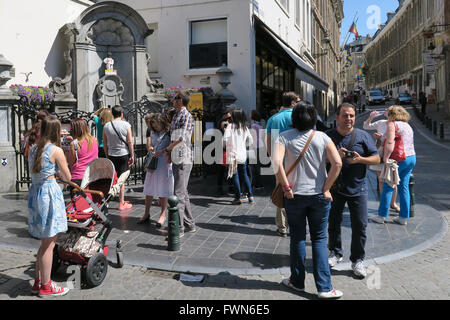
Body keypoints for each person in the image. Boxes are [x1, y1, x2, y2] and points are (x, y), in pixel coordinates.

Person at [274, 101, 343, 299]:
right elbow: (337, 163)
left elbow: (276, 162)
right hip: (318, 196)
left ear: (294, 118)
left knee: (297, 237)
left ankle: (297, 282)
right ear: (314, 118)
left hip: (293, 195)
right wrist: (327, 187)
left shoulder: (284, 138)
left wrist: (286, 187)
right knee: (319, 239)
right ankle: (324, 287)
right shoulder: (322, 137)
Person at [326, 103, 380, 278]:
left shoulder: (363, 136)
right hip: (335, 187)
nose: (348, 119)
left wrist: (360, 160)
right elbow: (319, 160)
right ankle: (335, 252)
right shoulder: (328, 137)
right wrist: (335, 157)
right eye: (345, 115)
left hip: (359, 187)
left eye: (351, 116)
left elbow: (376, 159)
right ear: (337, 117)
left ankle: (358, 260)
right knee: (333, 223)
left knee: (360, 225)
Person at [28, 115, 71, 297]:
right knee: (49, 245)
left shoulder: (32, 149)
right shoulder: (56, 151)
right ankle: (46, 286)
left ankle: (38, 281)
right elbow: (68, 177)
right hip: (49, 194)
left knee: (43, 242)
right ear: (55, 131)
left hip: (36, 194)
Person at [371, 106, 416, 225]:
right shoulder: (407, 125)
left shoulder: (392, 124)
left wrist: (386, 157)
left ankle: (381, 216)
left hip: (398, 158)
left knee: (387, 186)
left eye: (389, 114)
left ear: (392, 115)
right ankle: (403, 218)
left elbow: (390, 142)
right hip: (411, 157)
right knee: (404, 187)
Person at [265, 91, 300, 237]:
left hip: (279, 161)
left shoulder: (273, 119)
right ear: (292, 103)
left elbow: (269, 142)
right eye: (297, 101)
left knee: (281, 190)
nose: (299, 103)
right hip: (297, 161)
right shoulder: (298, 117)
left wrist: (272, 157)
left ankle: (282, 227)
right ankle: (296, 224)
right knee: (297, 192)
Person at [164, 90, 196, 236]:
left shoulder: (186, 115)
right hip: (177, 156)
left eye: (175, 98)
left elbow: (182, 138)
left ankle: (179, 228)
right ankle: (190, 224)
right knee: (182, 192)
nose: (172, 100)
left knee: (178, 194)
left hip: (183, 157)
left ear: (180, 100)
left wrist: (168, 148)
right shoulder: (176, 115)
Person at [138, 113, 173, 227]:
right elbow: (150, 145)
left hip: (164, 163)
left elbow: (172, 147)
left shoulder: (169, 133)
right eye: (154, 124)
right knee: (149, 188)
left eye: (157, 124)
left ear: (163, 123)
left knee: (163, 188)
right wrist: (151, 148)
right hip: (153, 162)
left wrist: (163, 151)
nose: (155, 126)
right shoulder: (152, 132)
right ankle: (146, 213)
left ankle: (163, 214)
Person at [363, 108, 400, 212]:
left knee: (393, 180)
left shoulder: (397, 124)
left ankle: (393, 203)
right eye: (387, 111)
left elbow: (394, 139)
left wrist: (381, 137)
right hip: (380, 152)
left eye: (389, 111)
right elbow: (366, 126)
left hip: (392, 153)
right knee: (381, 180)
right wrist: (371, 117)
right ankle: (384, 203)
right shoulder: (381, 122)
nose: (386, 112)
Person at [103, 105, 134, 210]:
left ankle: (108, 199)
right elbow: (130, 141)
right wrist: (132, 155)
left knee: (112, 178)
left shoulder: (107, 125)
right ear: (121, 114)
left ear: (112, 114)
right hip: (123, 154)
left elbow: (104, 142)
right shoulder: (126, 125)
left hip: (112, 154)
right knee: (122, 179)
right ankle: (121, 203)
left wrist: (107, 155)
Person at [223, 108, 254, 204]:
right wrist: (244, 145)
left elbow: (224, 140)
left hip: (233, 155)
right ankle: (251, 196)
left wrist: (226, 147)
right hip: (242, 155)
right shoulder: (244, 127)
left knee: (235, 175)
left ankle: (238, 197)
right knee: (244, 174)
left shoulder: (230, 126)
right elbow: (251, 140)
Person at [67, 118, 98, 191]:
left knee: (77, 201)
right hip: (92, 176)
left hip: (78, 177)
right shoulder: (94, 140)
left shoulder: (74, 144)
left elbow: (71, 163)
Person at [216, 106, 234, 196]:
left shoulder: (223, 121)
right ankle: (226, 187)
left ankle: (224, 187)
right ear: (226, 114)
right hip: (223, 148)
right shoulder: (223, 122)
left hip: (225, 147)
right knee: (224, 168)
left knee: (225, 168)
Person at [249, 110, 264, 190]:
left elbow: (253, 137)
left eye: (250, 113)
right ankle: (258, 183)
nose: (249, 114)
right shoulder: (259, 124)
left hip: (255, 146)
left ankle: (257, 184)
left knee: (254, 166)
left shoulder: (253, 125)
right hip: (260, 145)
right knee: (257, 165)